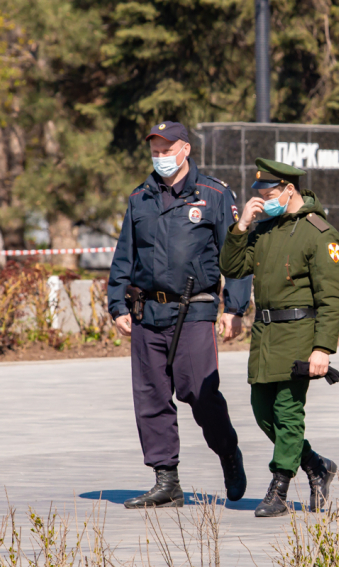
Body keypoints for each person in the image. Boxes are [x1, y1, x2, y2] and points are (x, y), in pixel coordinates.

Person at [108, 121, 252, 509]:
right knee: (151, 396)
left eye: (166, 149)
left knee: (197, 391)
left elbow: (236, 255)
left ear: (185, 149)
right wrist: (117, 304)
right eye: (155, 151)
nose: (160, 157)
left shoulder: (214, 194)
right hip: (146, 311)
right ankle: (166, 480)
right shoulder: (140, 197)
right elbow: (125, 254)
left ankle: (227, 452)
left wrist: (235, 308)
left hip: (195, 308)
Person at [219, 158, 339, 517]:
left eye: (269, 193)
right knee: (262, 412)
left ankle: (279, 487)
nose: (263, 200)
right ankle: (316, 465)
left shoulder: (318, 232)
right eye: (258, 194)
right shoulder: (265, 230)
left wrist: (322, 348)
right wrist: (241, 226)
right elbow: (232, 267)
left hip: (300, 335)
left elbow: (331, 297)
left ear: (290, 190)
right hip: (266, 335)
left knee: (288, 413)